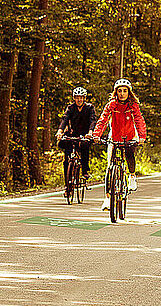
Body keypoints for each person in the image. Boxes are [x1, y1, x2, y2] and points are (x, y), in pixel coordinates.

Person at [92, 79, 146, 211]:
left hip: (129, 137)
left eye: (125, 91)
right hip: (114, 137)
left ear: (129, 92)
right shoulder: (111, 105)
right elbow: (103, 120)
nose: (122, 93)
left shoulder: (133, 105)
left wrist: (141, 136)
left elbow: (139, 120)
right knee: (110, 167)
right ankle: (108, 198)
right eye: (119, 91)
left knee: (129, 154)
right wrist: (97, 134)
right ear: (116, 92)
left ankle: (132, 176)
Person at [54, 87, 96, 190]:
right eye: (77, 98)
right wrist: (60, 131)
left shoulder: (89, 108)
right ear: (74, 98)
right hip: (72, 134)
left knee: (85, 148)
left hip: (85, 135)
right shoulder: (70, 108)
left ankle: (85, 171)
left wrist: (90, 132)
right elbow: (65, 119)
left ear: (84, 98)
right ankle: (67, 184)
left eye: (81, 98)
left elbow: (93, 120)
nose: (79, 100)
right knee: (67, 159)